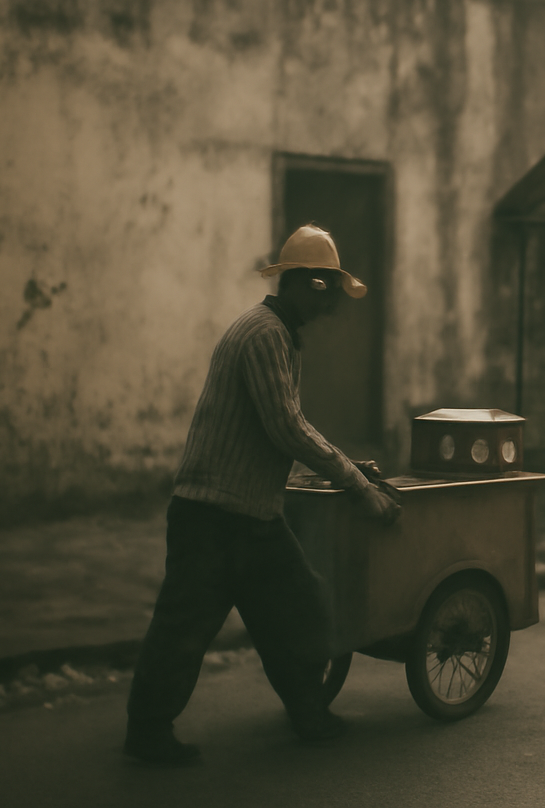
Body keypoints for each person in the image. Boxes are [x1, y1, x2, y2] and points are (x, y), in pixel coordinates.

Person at [124, 225, 401, 765]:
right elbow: (286, 427)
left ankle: (308, 714)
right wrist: (356, 482)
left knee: (298, 614)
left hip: (247, 513)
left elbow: (272, 433)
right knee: (185, 629)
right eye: (327, 292)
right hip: (213, 515)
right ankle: (148, 731)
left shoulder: (275, 332)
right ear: (308, 285)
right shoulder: (263, 335)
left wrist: (332, 469)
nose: (332, 308)